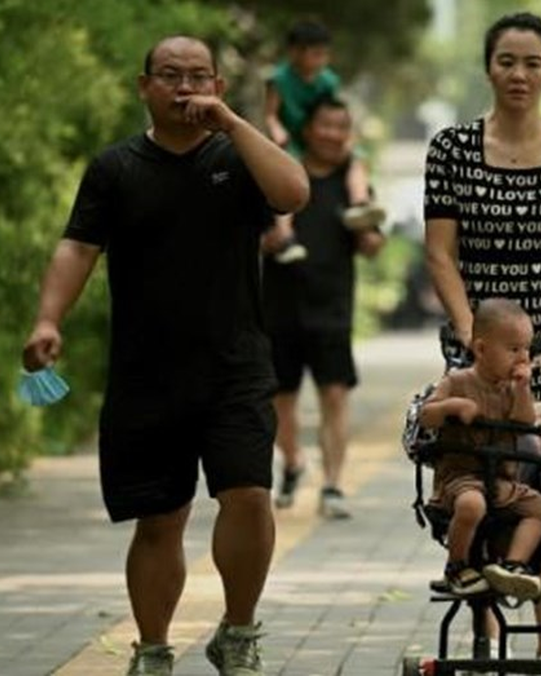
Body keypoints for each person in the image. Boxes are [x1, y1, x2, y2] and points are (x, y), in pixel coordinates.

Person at [20, 36, 308, 676]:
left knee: (250, 496)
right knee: (158, 520)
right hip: (146, 372)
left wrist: (232, 123)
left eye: (199, 77)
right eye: (171, 76)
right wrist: (47, 319)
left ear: (217, 87)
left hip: (235, 365)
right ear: (143, 85)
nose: (185, 88)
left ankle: (237, 632)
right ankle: (152, 649)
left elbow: (293, 193)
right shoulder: (116, 168)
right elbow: (78, 248)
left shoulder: (238, 156)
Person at [422, 11, 541, 659]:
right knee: (481, 480)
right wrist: (464, 325)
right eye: (507, 61)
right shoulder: (450, 148)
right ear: (488, 67)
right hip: (477, 347)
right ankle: (488, 629)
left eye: (533, 63)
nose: (519, 74)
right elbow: (441, 253)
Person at [262, 96, 385, 519]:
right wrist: (272, 240)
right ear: (309, 130)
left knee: (335, 396)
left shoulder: (352, 180)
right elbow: (254, 234)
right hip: (279, 305)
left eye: (342, 127)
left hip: (332, 306)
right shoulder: (280, 174)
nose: (334, 135)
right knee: (281, 400)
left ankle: (332, 486)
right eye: (326, 126)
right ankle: (293, 460)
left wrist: (370, 235)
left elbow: (371, 244)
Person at [418, 298, 541, 600]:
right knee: (471, 506)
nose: (522, 357)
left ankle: (512, 565)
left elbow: (525, 422)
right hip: (460, 479)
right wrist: (453, 406)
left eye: (526, 349)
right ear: (480, 349)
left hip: (502, 480)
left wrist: (522, 390)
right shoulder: (457, 380)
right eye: (513, 349)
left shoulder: (511, 387)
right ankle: (457, 566)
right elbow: (426, 415)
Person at [264, 19, 384, 262]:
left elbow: (334, 111)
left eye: (324, 55)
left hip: (335, 294)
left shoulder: (328, 81)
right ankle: (286, 234)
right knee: (288, 179)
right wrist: (277, 131)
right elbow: (270, 114)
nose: (320, 61)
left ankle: (359, 203)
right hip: (291, 140)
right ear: (295, 52)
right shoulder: (278, 80)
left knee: (356, 157)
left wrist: (343, 137)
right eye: (315, 54)